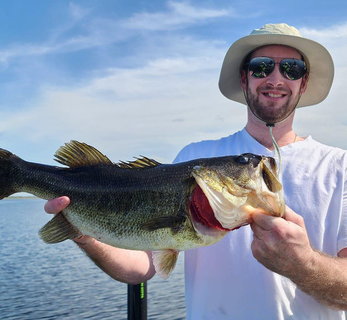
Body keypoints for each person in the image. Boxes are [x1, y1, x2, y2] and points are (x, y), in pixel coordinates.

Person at [44, 23, 347, 319]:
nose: (276, 78)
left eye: (291, 69)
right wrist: (83, 232)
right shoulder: (194, 158)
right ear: (244, 79)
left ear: (303, 83)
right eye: (262, 67)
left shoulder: (340, 167)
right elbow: (143, 265)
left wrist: (303, 263)